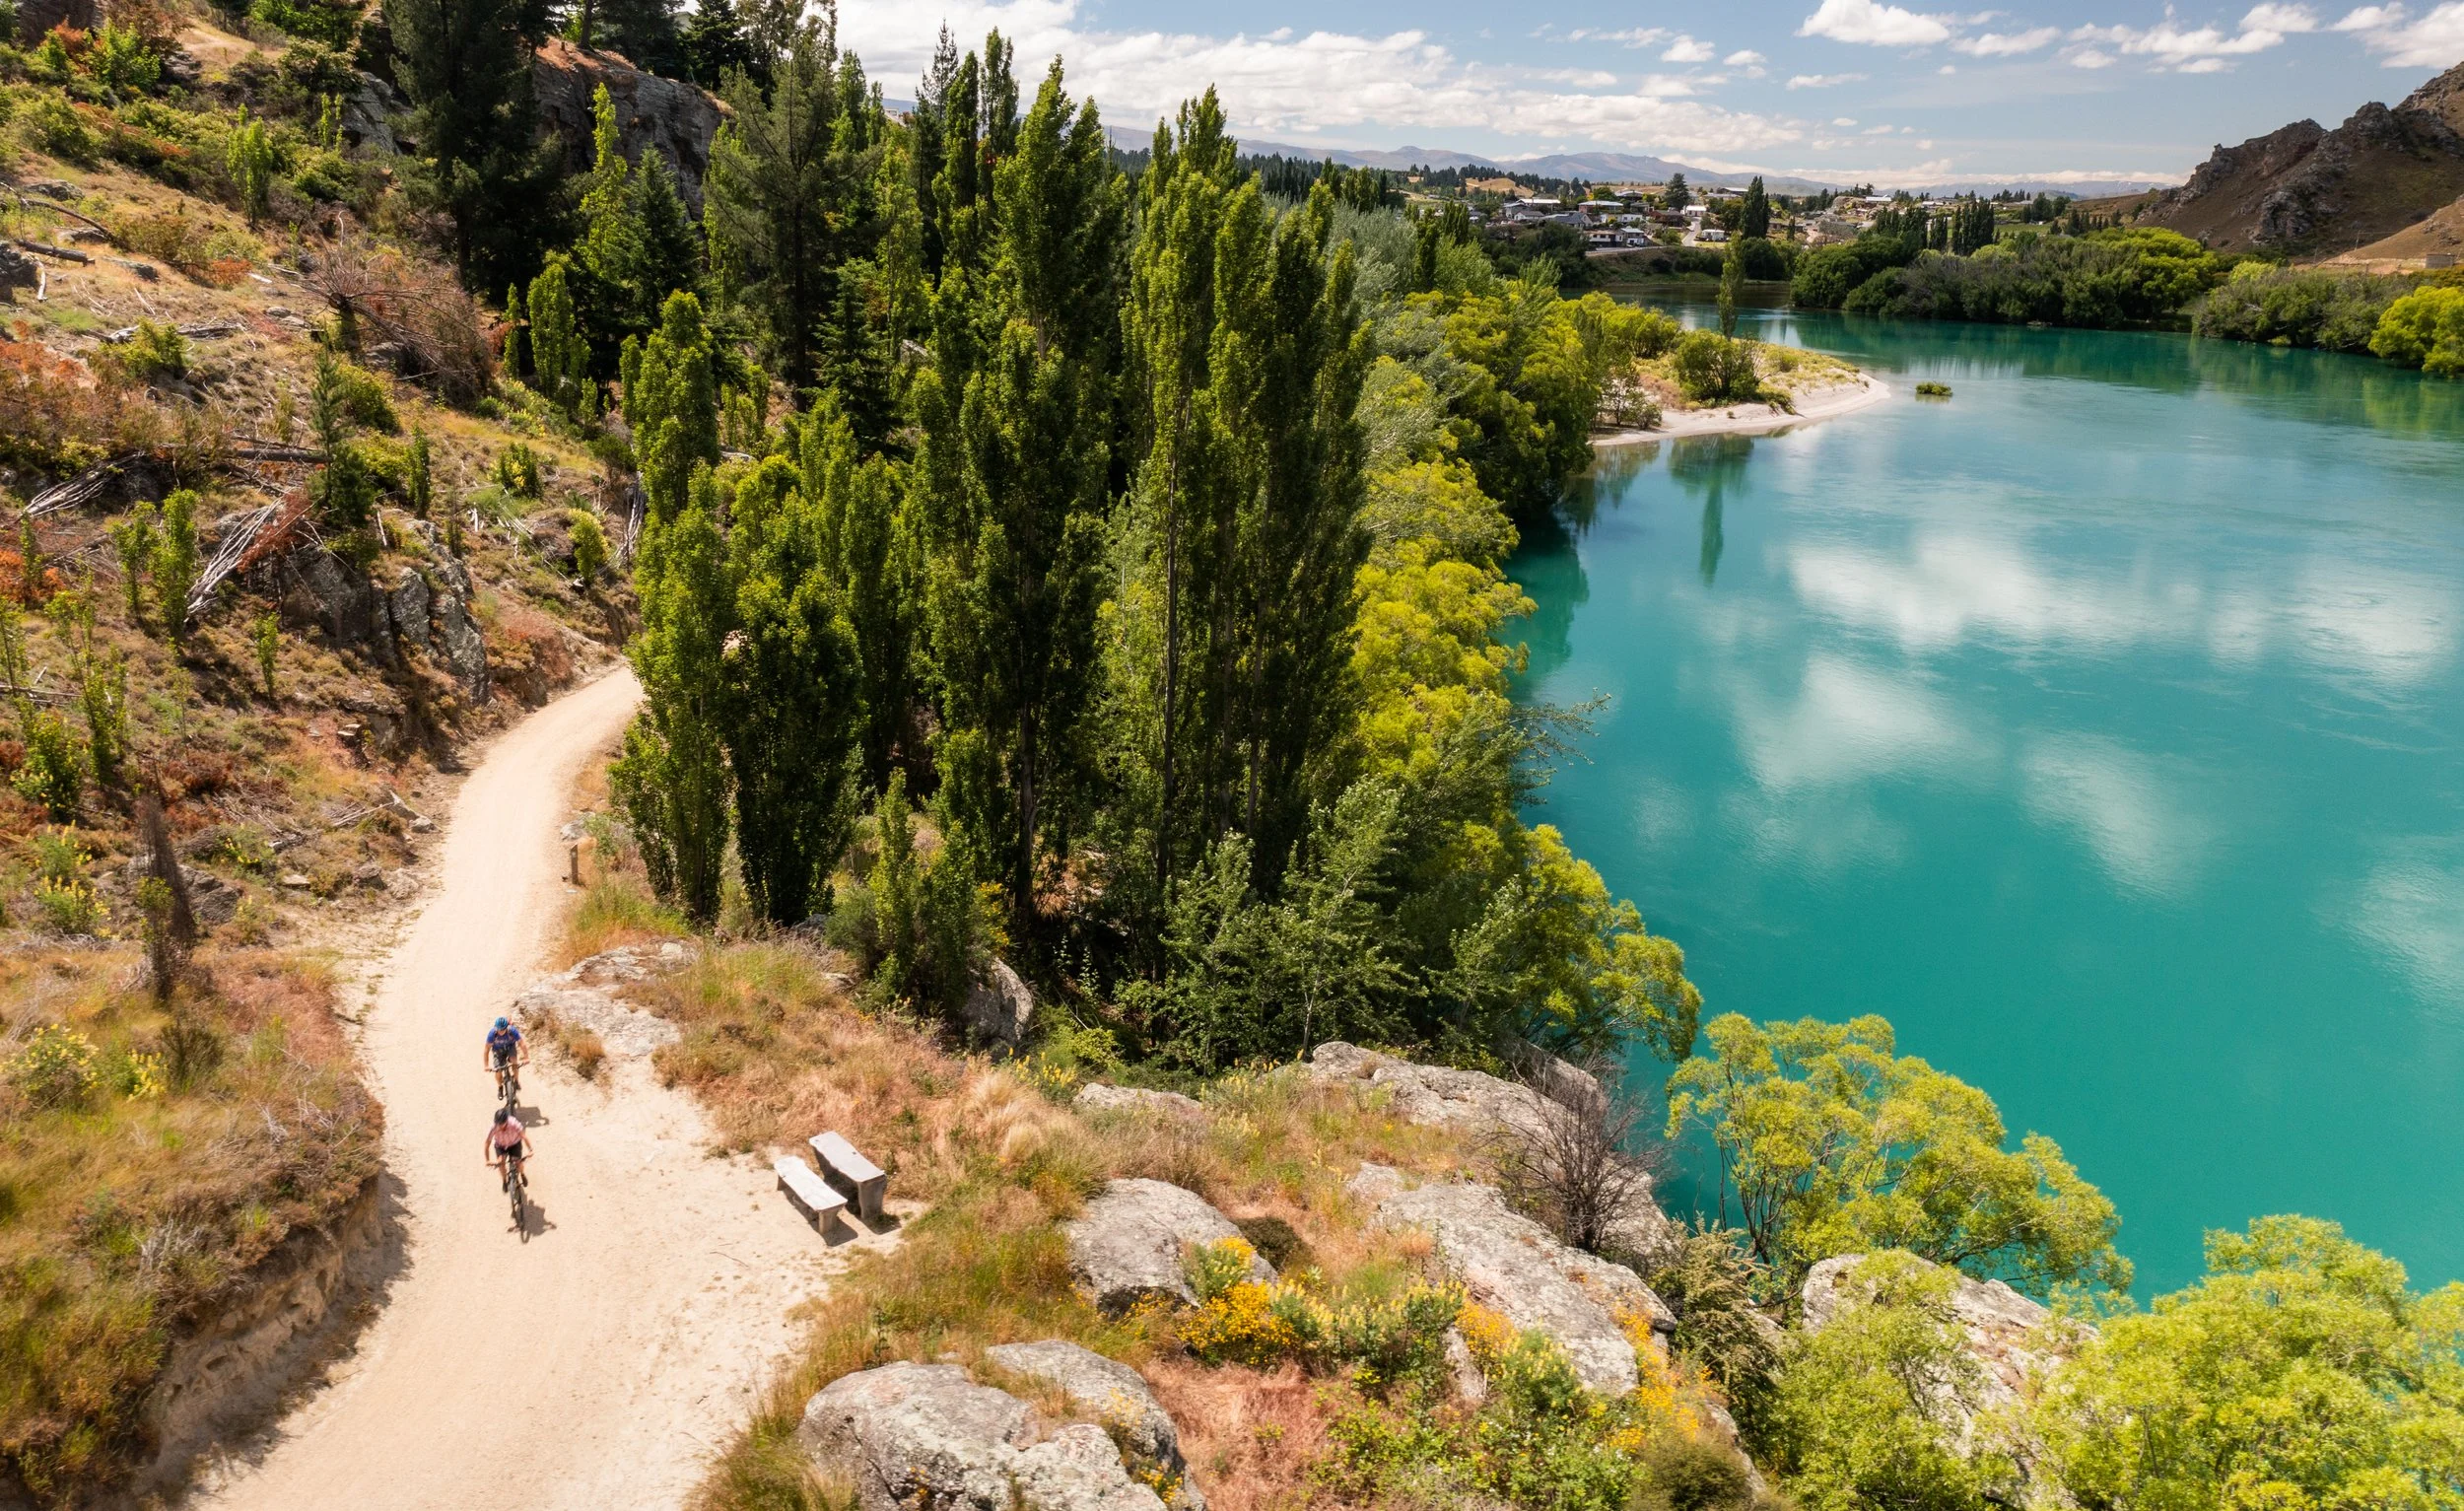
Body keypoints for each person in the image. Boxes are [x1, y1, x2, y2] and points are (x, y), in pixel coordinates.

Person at [484, 1106, 529, 1188]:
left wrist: (530, 1150)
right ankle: (504, 1180)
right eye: (498, 1124)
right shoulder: (494, 1127)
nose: (500, 1126)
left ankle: (522, 1174)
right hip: (501, 1146)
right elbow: (487, 1143)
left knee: (519, 1162)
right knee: (500, 1163)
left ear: (506, 1121)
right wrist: (487, 1160)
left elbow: (524, 1136)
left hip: (515, 1143)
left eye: (502, 1124)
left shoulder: (514, 1123)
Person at [482, 1015, 526, 1095]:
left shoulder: (512, 1031)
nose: (501, 1031)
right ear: (496, 1027)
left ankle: (516, 1081)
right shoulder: (492, 1034)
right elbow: (486, 1050)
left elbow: (522, 1043)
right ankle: (500, 1087)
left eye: (503, 1029)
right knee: (497, 1070)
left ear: (507, 1027)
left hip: (510, 1047)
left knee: (514, 1062)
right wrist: (486, 1065)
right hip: (497, 1050)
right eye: (499, 1029)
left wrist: (526, 1058)